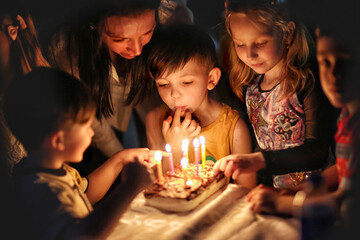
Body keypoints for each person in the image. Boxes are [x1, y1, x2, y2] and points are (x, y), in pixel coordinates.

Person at [237, 1, 360, 239]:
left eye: (346, 63)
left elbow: (347, 203)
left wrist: (284, 202)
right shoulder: (348, 116)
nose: (334, 75)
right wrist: (295, 193)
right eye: (326, 62)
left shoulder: (305, 84)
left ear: (287, 33)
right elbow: (345, 172)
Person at [2, 67, 153, 240]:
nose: (92, 133)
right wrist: (130, 187)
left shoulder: (51, 170)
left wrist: (121, 158)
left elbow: (87, 193)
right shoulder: (41, 191)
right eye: (86, 127)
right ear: (58, 140)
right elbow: (83, 234)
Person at [213, 0, 333, 189]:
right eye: (240, 44)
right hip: (279, 194)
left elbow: (318, 152)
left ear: (287, 33)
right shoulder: (249, 89)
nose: (250, 54)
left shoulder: (305, 82)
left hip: (320, 193)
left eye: (260, 43)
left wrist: (259, 160)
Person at [47, 0, 163, 174]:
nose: (137, 50)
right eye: (120, 39)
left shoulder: (166, 20)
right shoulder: (68, 48)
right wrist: (122, 161)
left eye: (148, 32)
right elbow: (93, 117)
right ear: (94, 25)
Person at [146, 24, 255, 188]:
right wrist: (174, 149)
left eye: (187, 82)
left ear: (211, 79)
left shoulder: (233, 128)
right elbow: (155, 184)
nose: (174, 94)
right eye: (163, 84)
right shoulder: (155, 120)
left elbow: (247, 192)